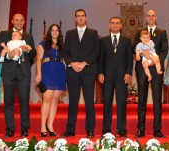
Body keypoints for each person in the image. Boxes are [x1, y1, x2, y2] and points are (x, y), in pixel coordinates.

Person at [0, 13, 36, 137]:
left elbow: (33, 54)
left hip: (24, 72)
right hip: (8, 72)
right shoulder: (3, 34)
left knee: (24, 100)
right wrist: (8, 55)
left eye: (21, 20)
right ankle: (10, 129)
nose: (19, 22)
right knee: (8, 101)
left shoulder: (28, 36)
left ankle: (24, 129)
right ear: (12, 21)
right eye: (16, 20)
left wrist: (29, 49)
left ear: (24, 22)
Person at [62, 9, 99, 138]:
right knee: (73, 101)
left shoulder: (93, 33)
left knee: (89, 101)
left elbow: (96, 51)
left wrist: (85, 63)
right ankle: (70, 129)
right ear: (75, 19)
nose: (81, 18)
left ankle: (90, 130)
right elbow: (65, 52)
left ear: (86, 18)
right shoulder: (69, 33)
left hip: (88, 71)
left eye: (83, 16)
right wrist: (72, 63)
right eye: (78, 16)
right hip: (73, 72)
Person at [133, 9, 168, 138]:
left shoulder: (162, 32)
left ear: (156, 17)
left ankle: (157, 129)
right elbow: (134, 47)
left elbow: (164, 50)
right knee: (141, 99)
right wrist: (143, 53)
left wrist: (154, 60)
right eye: (149, 16)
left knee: (157, 99)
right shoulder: (139, 32)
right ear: (146, 18)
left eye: (153, 15)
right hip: (143, 69)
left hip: (156, 68)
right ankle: (140, 129)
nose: (151, 17)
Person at [98, 17, 133, 137]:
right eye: (113, 23)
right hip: (107, 76)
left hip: (122, 76)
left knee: (122, 104)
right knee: (107, 103)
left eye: (117, 23)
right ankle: (106, 130)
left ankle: (122, 130)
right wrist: (100, 73)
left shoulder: (127, 40)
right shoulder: (103, 40)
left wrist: (128, 73)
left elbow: (129, 59)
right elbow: (101, 58)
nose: (115, 25)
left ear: (121, 26)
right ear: (109, 25)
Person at [34, 24, 66, 137]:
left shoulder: (62, 45)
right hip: (47, 71)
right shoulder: (42, 44)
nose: (55, 32)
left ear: (59, 32)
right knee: (47, 98)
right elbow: (38, 59)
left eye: (57, 30)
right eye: (52, 30)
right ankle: (42, 125)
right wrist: (39, 74)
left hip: (60, 72)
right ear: (49, 32)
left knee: (55, 100)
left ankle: (50, 125)